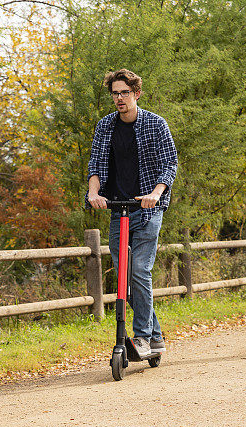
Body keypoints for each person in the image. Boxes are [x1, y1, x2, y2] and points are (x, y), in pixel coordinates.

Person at [87, 69, 177, 357]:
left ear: (136, 93)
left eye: (124, 92)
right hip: (119, 209)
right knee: (126, 275)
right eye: (115, 93)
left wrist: (156, 193)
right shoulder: (106, 126)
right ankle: (156, 335)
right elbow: (96, 164)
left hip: (149, 208)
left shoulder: (155, 124)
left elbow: (169, 165)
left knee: (139, 269)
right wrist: (93, 193)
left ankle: (141, 338)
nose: (119, 98)